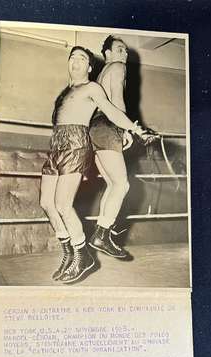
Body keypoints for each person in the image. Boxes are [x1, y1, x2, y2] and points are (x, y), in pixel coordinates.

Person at [40, 46, 152, 284]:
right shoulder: (65, 92)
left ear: (90, 67)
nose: (76, 61)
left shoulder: (93, 87)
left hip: (76, 144)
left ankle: (83, 256)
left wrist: (134, 128)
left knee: (62, 204)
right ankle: (69, 253)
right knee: (47, 203)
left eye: (82, 58)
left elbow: (111, 111)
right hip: (56, 145)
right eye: (73, 57)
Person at [89, 35, 157, 260]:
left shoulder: (100, 75)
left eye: (126, 51)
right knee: (122, 184)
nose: (124, 55)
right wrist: (127, 129)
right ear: (107, 53)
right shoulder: (117, 67)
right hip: (107, 125)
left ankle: (102, 233)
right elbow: (117, 99)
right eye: (119, 49)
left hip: (96, 127)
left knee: (113, 184)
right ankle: (102, 234)